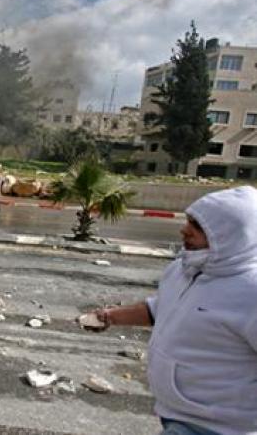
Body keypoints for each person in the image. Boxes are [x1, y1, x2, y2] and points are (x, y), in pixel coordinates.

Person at [84, 186, 257, 435]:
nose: (184, 229)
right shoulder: (184, 268)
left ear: (232, 235)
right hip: (174, 413)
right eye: (188, 221)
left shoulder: (250, 291)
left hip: (221, 427)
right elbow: (161, 307)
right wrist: (111, 316)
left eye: (197, 226)